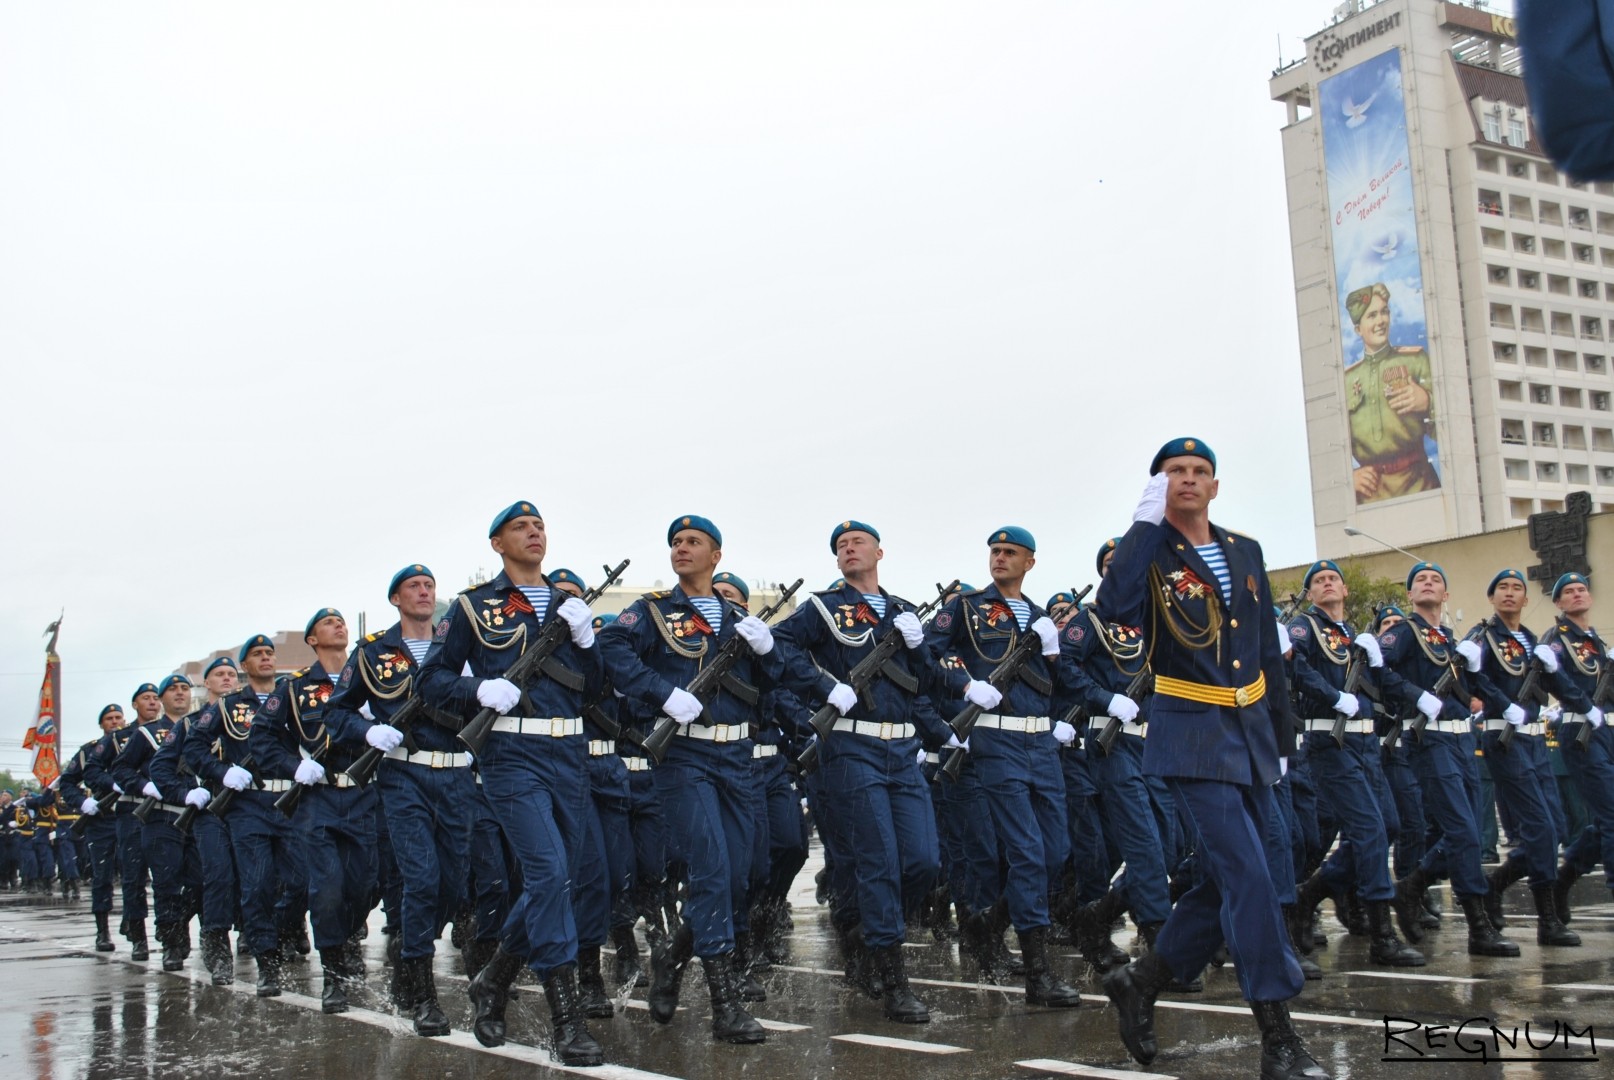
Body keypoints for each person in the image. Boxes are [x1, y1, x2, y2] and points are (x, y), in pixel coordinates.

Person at [1098, 437, 1327, 1080]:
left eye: (1200, 472)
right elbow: (1114, 611)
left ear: (1215, 485)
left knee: (1243, 875)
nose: (1189, 480)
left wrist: (1282, 741)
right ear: (1158, 485)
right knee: (1250, 878)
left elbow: (1264, 653)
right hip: (1192, 734)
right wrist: (1142, 525)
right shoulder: (1145, 552)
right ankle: (1279, 1037)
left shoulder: (1244, 550)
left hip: (1251, 732)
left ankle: (1142, 979)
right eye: (1175, 472)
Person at [417, 501, 605, 1067]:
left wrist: (589, 644)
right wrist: (479, 691)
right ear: (497, 543)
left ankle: (494, 977)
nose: (534, 533)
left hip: (570, 753)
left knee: (561, 880)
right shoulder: (474, 608)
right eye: (521, 527)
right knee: (548, 873)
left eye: (540, 525)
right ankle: (567, 1022)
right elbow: (431, 679)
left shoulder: (570, 606)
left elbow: (594, 690)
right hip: (513, 754)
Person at [598, 514, 781, 1044]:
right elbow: (612, 650)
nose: (681, 548)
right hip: (684, 760)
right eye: (676, 542)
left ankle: (674, 954)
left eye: (693, 542)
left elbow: (776, 681)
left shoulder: (737, 620)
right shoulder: (653, 611)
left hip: (738, 759)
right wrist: (661, 693)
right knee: (712, 868)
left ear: (716, 556)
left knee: (739, 875)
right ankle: (724, 1002)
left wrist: (769, 649)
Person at [772, 520, 945, 1023]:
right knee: (881, 862)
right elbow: (779, 648)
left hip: (901, 750)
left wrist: (919, 647)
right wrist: (823, 682)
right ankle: (893, 979)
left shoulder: (904, 612)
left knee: (924, 863)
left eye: (858, 542)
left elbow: (929, 682)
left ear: (879, 552)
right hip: (850, 749)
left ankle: (866, 932)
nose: (849, 549)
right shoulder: (823, 608)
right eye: (841, 546)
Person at [923, 526, 1087, 1008]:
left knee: (1055, 852)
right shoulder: (967, 607)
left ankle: (986, 924)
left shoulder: (1040, 617)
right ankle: (1038, 975)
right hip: (995, 739)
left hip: (1040, 742)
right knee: (1028, 853)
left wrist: (1053, 650)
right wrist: (966, 685)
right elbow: (931, 655)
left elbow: (1066, 682)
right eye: (994, 551)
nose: (999, 558)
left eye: (1009, 552)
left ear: (1029, 562)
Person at [327, 564, 472, 1036]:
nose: (425, 592)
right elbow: (336, 712)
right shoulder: (373, 653)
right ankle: (421, 987)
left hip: (456, 774)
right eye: (414, 586)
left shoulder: (459, 643)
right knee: (422, 880)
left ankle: (413, 955)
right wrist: (368, 729)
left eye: (430, 586)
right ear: (395, 599)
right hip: (403, 775)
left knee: (453, 885)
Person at [1377, 563, 1519, 958]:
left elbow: (1473, 685)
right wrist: (1413, 694)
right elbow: (1377, 671)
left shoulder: (1448, 640)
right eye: (1420, 580)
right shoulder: (1403, 633)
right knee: (1463, 831)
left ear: (1446, 596)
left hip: (1461, 742)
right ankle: (1478, 926)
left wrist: (1503, 702)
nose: (1428, 583)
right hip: (1430, 740)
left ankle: (1411, 887)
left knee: (1468, 830)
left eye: (1436, 579)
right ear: (1409, 595)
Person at [1288, 561, 1424, 967]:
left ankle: (1308, 896)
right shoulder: (1304, 627)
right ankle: (1383, 934)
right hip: (1330, 740)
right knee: (1368, 829)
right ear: (1311, 594)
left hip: (1365, 742)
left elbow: (1382, 685)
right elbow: (1295, 667)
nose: (1327, 584)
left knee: (1390, 825)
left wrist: (1406, 687)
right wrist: (1332, 695)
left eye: (1333, 579)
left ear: (1345, 590)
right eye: (1319, 581)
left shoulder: (1353, 638)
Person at [250, 609, 379, 1014]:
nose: (339, 626)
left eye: (341, 621)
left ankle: (343, 936)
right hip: (318, 798)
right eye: (328, 623)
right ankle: (334, 970)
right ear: (311, 640)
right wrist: (294, 766)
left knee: (368, 883)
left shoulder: (372, 675)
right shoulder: (293, 689)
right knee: (326, 890)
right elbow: (262, 737)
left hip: (365, 795)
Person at [1468, 569, 1581, 947]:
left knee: (1556, 828)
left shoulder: (1533, 642)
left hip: (1535, 742)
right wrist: (1502, 705)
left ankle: (1494, 886)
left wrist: (1577, 698)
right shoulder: (1484, 637)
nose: (1511, 594)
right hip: (1506, 738)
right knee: (1539, 826)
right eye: (1503, 588)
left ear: (1526, 599)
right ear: (1492, 597)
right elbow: (1475, 679)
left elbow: (1556, 684)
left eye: (1517, 588)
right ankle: (1547, 920)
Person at [112, 674, 203, 973]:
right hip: (161, 815)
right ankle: (172, 944)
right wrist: (143, 786)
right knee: (166, 883)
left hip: (197, 816)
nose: (180, 694)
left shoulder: (202, 727)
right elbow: (121, 769)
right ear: (162, 699)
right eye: (173, 689)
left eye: (185, 689)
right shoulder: (146, 734)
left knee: (201, 880)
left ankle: (175, 925)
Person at [1540, 573, 1613, 920]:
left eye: (1582, 589)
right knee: (1612, 815)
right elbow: (1558, 680)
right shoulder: (1557, 639)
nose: (1577, 594)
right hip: (1582, 733)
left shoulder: (1596, 642)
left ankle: (1563, 879)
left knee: (1606, 820)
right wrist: (1585, 706)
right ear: (1558, 603)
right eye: (1568, 592)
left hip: (1608, 732)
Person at [1344, 283, 1439, 504]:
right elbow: (1331, 447)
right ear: (1358, 328)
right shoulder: (1346, 381)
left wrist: (1428, 401)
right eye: (1372, 315)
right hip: (1370, 496)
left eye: (1384, 312)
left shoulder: (1415, 361)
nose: (1380, 321)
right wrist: (1349, 478)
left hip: (1419, 485)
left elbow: (1449, 433)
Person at [59, 704, 128, 950]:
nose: (115, 722)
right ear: (102, 724)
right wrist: (82, 802)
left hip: (131, 815)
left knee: (134, 873)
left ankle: (133, 925)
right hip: (101, 820)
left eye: (118, 717)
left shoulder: (134, 744)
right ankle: (102, 930)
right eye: (109, 719)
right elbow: (67, 782)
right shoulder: (88, 751)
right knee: (102, 875)